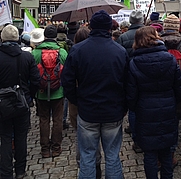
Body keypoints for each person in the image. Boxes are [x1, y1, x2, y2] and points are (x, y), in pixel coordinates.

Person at [61, 10, 128, 178]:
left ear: (91, 27)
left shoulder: (77, 50)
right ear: (109, 28)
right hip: (112, 110)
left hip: (88, 110)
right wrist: (125, 105)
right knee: (112, 156)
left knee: (88, 156)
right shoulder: (120, 51)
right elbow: (128, 83)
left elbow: (67, 81)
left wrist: (77, 100)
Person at [126, 26, 181, 179]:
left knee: (150, 153)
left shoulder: (134, 62)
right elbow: (179, 86)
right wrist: (173, 102)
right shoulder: (170, 58)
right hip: (167, 108)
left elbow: (131, 93)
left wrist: (135, 108)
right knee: (166, 151)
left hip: (145, 111)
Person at [0, 25, 40, 179]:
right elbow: (35, 80)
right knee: (21, 136)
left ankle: (5, 172)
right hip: (21, 101)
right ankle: (21, 170)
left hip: (2, 103)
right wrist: (29, 96)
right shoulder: (27, 57)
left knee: (5, 136)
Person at [160, 14, 181, 166]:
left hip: (160, 89)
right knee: (173, 124)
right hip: (178, 90)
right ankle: (171, 155)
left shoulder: (157, 43)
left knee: (160, 123)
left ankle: (158, 155)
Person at [32, 25, 68, 158]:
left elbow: (32, 74)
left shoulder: (35, 53)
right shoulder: (62, 52)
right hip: (58, 91)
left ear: (45, 36)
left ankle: (45, 149)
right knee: (58, 120)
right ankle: (56, 148)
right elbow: (67, 72)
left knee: (44, 119)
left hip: (41, 93)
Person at [117, 10, 145, 153]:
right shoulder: (147, 34)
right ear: (141, 21)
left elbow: (121, 58)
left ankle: (137, 139)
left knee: (133, 108)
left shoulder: (123, 37)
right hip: (145, 75)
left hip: (129, 75)